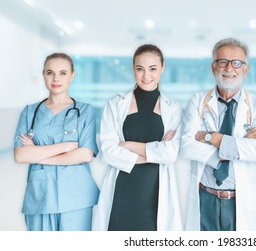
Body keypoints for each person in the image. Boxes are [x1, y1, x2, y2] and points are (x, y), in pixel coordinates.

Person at [180, 37, 256, 231]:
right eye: (223, 62)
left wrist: (211, 138)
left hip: (240, 200)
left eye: (237, 63)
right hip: (205, 197)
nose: (229, 68)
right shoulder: (198, 101)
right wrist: (235, 148)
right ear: (214, 67)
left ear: (245, 69)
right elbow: (187, 146)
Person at [92, 44, 182, 231]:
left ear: (162, 68)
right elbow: (108, 151)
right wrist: (154, 151)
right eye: (140, 69)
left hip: (155, 190)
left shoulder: (173, 108)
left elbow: (170, 154)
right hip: (122, 188)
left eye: (153, 69)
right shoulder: (116, 103)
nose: (146, 76)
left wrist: (129, 145)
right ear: (133, 68)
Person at [13, 53, 99, 231]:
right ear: (43, 74)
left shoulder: (85, 111)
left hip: (76, 196)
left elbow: (85, 153)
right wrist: (64, 147)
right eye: (50, 72)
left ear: (72, 75)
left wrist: (38, 154)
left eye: (63, 73)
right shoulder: (30, 112)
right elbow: (21, 155)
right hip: (40, 195)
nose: (56, 78)